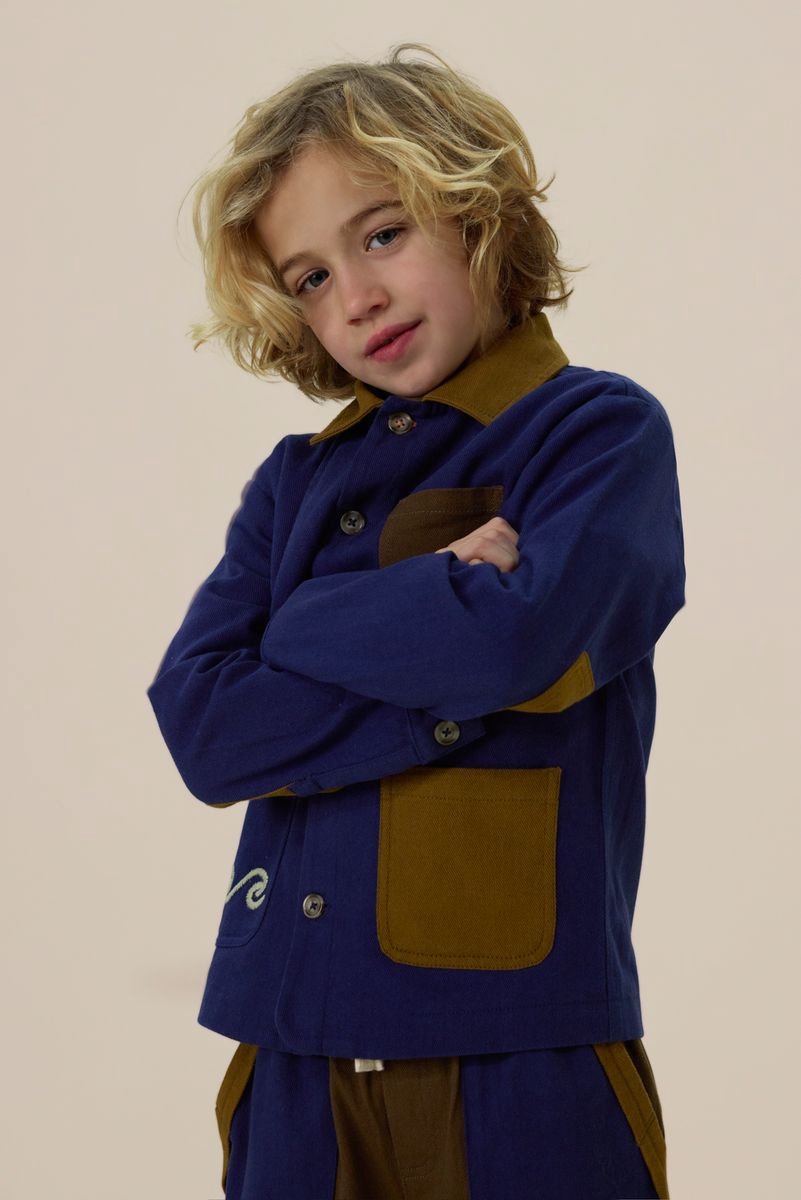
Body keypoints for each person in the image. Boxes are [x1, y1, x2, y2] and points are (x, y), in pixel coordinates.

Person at [146, 41, 685, 1200]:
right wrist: (424, 625)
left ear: (477, 213)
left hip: (519, 1052)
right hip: (291, 1060)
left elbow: (516, 642)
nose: (357, 300)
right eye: (309, 278)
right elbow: (203, 726)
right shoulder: (293, 481)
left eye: (383, 234)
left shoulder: (597, 435)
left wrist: (296, 627)